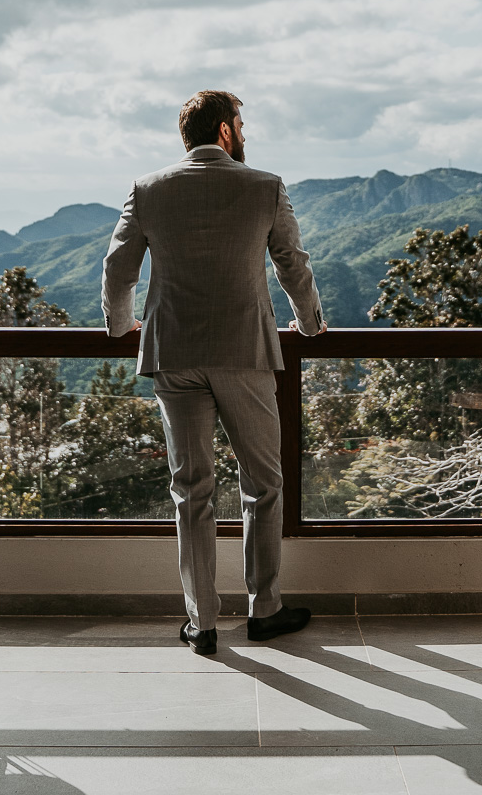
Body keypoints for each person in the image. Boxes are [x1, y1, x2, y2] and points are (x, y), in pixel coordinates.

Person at [101, 90, 325, 654]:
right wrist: (311, 326)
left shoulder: (148, 189)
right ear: (225, 130)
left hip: (173, 353)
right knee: (264, 483)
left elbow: (117, 268)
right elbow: (291, 263)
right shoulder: (264, 186)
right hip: (245, 352)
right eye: (242, 123)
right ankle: (264, 608)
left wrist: (119, 326)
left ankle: (201, 622)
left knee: (191, 488)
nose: (245, 131)